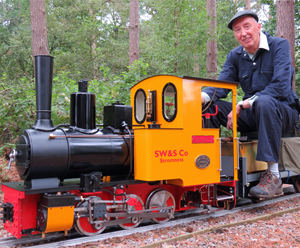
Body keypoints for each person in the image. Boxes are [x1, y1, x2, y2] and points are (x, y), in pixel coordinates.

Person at [201, 10, 299, 199]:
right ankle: (208, 165)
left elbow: (280, 86)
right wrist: (198, 98)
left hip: (283, 111)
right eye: (237, 30)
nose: (243, 33)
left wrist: (241, 104)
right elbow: (221, 86)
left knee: (264, 101)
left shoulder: (279, 46)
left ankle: (273, 176)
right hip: (253, 114)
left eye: (247, 26)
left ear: (258, 27)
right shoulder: (235, 56)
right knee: (212, 107)